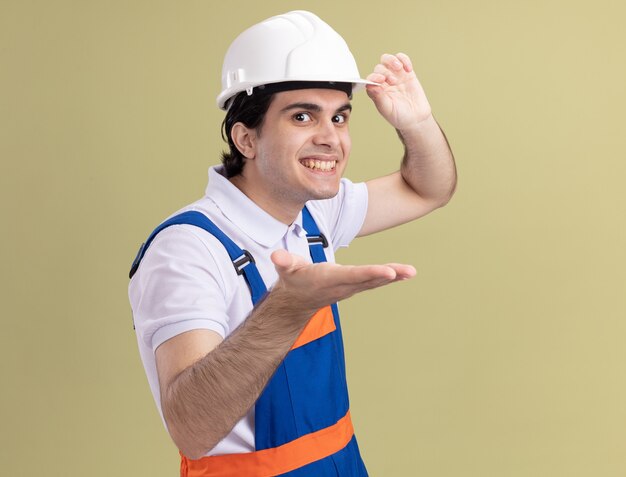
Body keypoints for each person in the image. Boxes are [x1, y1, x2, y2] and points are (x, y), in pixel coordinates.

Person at [129, 10, 456, 477]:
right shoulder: (187, 248)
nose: (330, 139)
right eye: (302, 115)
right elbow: (192, 428)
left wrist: (417, 122)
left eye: (340, 117)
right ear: (246, 137)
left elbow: (429, 188)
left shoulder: (314, 212)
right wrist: (288, 308)